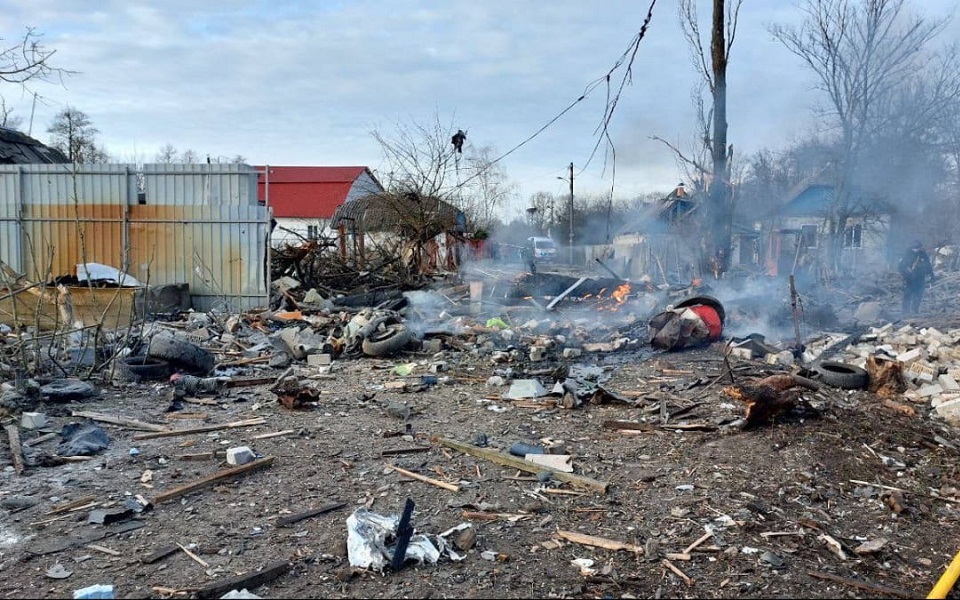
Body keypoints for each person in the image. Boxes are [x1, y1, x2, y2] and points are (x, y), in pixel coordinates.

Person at [898, 240, 935, 315]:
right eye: (915, 248)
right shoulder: (907, 254)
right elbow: (901, 267)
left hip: (920, 278)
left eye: (918, 248)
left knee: (918, 294)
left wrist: (932, 276)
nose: (917, 250)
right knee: (907, 295)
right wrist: (906, 273)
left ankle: (915, 310)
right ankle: (905, 311)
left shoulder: (923, 254)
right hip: (909, 279)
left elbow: (928, 265)